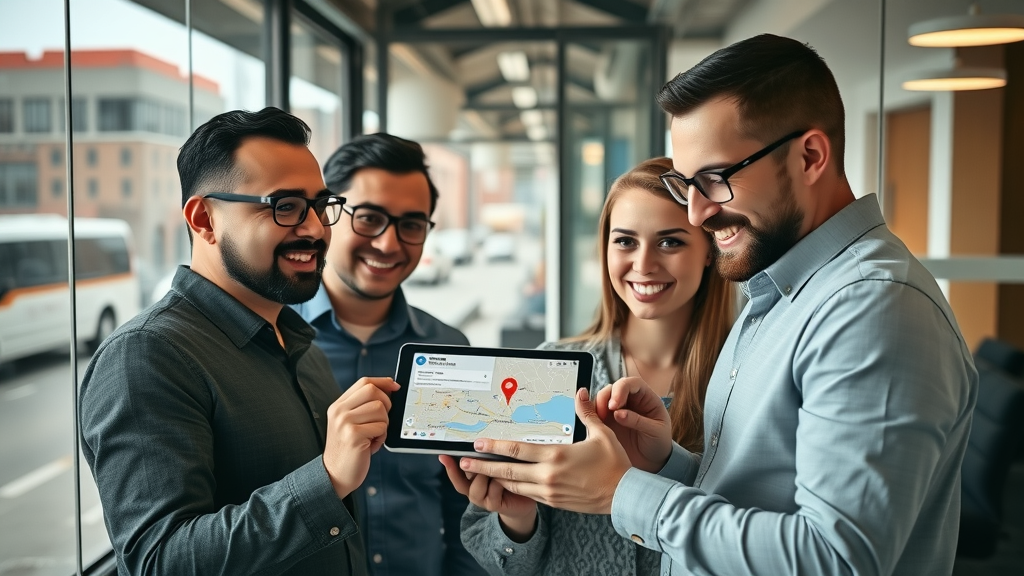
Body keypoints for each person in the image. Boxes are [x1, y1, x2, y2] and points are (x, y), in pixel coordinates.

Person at [450, 34, 978, 576]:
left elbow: (835, 560)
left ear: (810, 157)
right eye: (687, 185)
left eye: (716, 179)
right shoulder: (780, 294)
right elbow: (759, 496)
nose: (698, 213)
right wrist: (665, 463)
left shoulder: (871, 308)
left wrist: (622, 491)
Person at [80, 107, 400, 575]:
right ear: (204, 220)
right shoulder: (146, 356)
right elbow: (160, 561)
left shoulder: (300, 346)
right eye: (285, 206)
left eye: (320, 205)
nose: (316, 228)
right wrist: (327, 479)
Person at [450, 157, 734, 575]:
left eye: (670, 242)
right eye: (625, 241)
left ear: (709, 250)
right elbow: (494, 553)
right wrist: (517, 519)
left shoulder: (742, 374)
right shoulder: (549, 368)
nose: (643, 264)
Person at [292, 133, 482, 576]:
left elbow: (466, 510)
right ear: (325, 215)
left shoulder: (448, 350)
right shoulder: (274, 344)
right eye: (370, 218)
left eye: (411, 225)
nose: (389, 244)